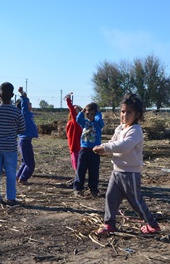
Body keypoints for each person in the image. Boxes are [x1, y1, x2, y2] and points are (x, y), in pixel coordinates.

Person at [93, 93, 161, 235]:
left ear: (137, 114)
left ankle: (153, 225)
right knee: (110, 197)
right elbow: (113, 143)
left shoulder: (135, 131)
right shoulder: (120, 128)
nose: (125, 115)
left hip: (130, 173)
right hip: (116, 171)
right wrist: (103, 148)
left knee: (135, 201)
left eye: (129, 112)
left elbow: (123, 146)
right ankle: (109, 224)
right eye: (123, 111)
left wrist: (105, 148)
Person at [0, 82, 26, 207]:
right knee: (10, 172)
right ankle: (11, 198)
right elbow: (22, 128)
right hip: (9, 147)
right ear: (12, 95)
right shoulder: (16, 111)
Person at [73, 101, 104, 197]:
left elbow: (100, 121)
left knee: (93, 170)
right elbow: (78, 119)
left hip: (94, 151)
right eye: (88, 114)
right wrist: (82, 111)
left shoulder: (98, 124)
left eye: (92, 114)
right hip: (84, 150)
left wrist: (98, 113)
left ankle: (93, 189)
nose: (90, 116)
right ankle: (78, 188)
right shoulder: (85, 123)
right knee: (80, 170)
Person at [16, 87, 39, 185]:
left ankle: (18, 177)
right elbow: (24, 104)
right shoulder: (24, 114)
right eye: (29, 103)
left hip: (25, 141)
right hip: (25, 141)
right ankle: (23, 179)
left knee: (25, 162)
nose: (31, 105)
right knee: (30, 164)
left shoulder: (28, 115)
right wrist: (22, 95)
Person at [64, 92, 83, 171]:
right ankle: (77, 173)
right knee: (74, 160)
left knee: (76, 161)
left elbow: (71, 109)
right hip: (72, 144)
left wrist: (68, 100)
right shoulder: (71, 122)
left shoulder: (77, 121)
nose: (74, 110)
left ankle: (77, 174)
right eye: (74, 109)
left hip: (77, 145)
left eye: (77, 109)